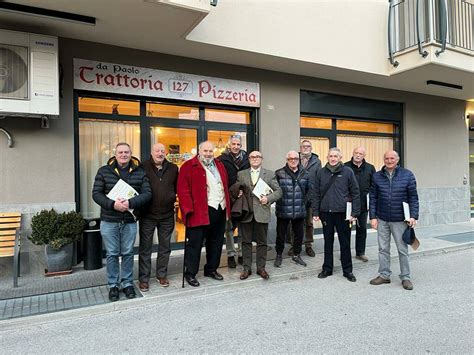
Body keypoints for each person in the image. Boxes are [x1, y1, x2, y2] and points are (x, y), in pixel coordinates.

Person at [92, 142, 152, 301]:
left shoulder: (140, 172)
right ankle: (113, 285)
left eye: (126, 152)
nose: (123, 155)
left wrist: (130, 203)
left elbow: (147, 194)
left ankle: (127, 283)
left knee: (127, 253)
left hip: (130, 220)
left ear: (131, 153)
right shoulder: (104, 171)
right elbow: (96, 194)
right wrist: (113, 205)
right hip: (109, 220)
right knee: (112, 254)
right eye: (120, 152)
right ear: (115, 154)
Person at [177, 141, 231, 287]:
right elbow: (182, 190)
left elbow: (224, 185)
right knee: (195, 244)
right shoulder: (188, 166)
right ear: (199, 151)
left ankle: (211, 269)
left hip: (219, 209)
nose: (208, 154)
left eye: (210, 151)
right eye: (205, 151)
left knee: (216, 242)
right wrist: (187, 210)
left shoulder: (219, 165)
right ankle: (190, 273)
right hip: (199, 211)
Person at [369, 150, 419, 291]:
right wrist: (372, 217)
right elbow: (373, 198)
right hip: (382, 218)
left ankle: (406, 277)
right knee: (383, 249)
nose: (389, 161)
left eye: (392, 158)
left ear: (397, 160)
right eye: (386, 158)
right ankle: (384, 275)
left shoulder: (407, 175)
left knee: (402, 249)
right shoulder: (377, 176)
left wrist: (413, 216)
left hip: (400, 219)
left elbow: (413, 198)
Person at [312, 147, 360, 282]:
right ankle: (327, 269)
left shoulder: (348, 172)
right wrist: (315, 211)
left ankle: (348, 271)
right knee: (328, 242)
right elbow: (315, 193)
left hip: (343, 213)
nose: (333, 159)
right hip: (326, 213)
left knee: (345, 243)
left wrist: (354, 213)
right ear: (327, 158)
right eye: (330, 156)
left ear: (340, 158)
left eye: (335, 156)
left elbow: (356, 193)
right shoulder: (321, 172)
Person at [138, 143, 178, 292]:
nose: (160, 153)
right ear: (152, 152)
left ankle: (161, 275)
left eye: (162, 151)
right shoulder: (143, 167)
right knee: (145, 248)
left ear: (165, 153)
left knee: (165, 247)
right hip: (148, 214)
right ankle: (143, 279)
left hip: (167, 214)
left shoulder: (173, 168)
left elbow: (177, 187)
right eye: (157, 151)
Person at [235, 151, 281, 280]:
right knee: (246, 242)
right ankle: (246, 268)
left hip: (262, 211)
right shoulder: (241, 174)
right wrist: (238, 192)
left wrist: (268, 198)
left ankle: (261, 268)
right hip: (246, 212)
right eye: (252, 157)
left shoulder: (270, 174)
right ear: (249, 159)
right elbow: (237, 189)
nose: (255, 159)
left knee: (262, 242)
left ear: (261, 159)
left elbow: (279, 191)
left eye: (257, 157)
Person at [217, 134, 250, 268]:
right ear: (229, 145)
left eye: (238, 144)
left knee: (243, 227)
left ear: (241, 146)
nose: (236, 146)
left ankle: (241, 253)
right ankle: (231, 254)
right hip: (229, 197)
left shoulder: (247, 159)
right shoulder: (221, 159)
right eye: (233, 144)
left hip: (244, 197)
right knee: (229, 228)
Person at [274, 151, 310, 268]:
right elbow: (274, 190)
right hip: (283, 209)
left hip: (299, 210)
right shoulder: (279, 173)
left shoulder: (305, 173)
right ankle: (279, 255)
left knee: (299, 234)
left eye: (295, 158)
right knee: (280, 235)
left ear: (299, 160)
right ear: (287, 160)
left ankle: (296, 254)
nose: (293, 160)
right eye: (290, 159)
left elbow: (310, 191)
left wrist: (305, 202)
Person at [287, 139, 321, 257]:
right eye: (303, 146)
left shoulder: (317, 161)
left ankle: (308, 245)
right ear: (300, 148)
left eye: (308, 146)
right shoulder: (294, 159)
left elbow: (318, 179)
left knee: (309, 223)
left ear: (311, 148)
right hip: (296, 196)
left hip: (311, 197)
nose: (306, 148)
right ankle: (294, 245)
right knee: (294, 223)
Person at [344, 147, 376, 262]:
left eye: (360, 154)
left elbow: (374, 186)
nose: (358, 155)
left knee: (361, 229)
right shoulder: (345, 166)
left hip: (363, 204)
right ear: (352, 153)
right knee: (345, 230)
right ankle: (345, 253)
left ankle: (360, 252)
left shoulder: (370, 168)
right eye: (356, 153)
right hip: (348, 204)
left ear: (364, 155)